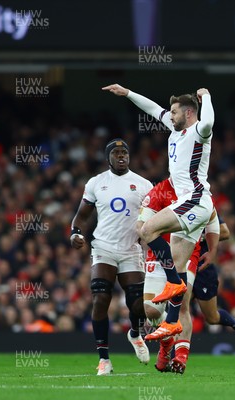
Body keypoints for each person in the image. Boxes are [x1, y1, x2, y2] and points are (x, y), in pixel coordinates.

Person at [103, 84, 215, 340]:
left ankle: (173, 282)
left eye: (174, 112)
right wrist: (128, 93)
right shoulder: (175, 128)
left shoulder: (199, 130)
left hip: (195, 200)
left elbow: (208, 120)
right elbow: (153, 108)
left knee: (148, 229)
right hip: (191, 205)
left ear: (188, 113)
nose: (169, 115)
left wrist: (206, 97)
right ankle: (172, 322)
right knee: (178, 264)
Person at [137, 178, 235, 374]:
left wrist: (201, 237)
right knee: (152, 311)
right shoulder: (160, 191)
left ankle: (181, 356)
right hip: (163, 257)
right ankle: (169, 342)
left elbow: (222, 230)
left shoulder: (200, 195)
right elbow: (141, 227)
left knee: (208, 315)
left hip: (196, 259)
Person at [70, 139, 153, 376]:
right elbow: (81, 216)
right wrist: (75, 233)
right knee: (100, 298)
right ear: (108, 157)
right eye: (116, 152)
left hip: (130, 249)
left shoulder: (143, 184)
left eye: (124, 152)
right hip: (103, 247)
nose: (121, 156)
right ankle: (104, 360)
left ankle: (135, 334)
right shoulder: (96, 183)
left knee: (139, 304)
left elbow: (152, 216)